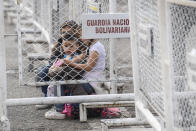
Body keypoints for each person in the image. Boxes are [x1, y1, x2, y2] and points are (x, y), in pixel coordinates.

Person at [44, 38, 108, 119]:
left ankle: (59, 109)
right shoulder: (64, 57)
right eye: (65, 46)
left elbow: (86, 67)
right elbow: (52, 71)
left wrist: (69, 63)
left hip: (91, 84)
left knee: (60, 79)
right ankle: (57, 105)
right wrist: (56, 65)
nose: (68, 48)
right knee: (57, 77)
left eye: (71, 46)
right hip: (89, 82)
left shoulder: (85, 53)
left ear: (77, 46)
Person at [35, 20, 80, 109]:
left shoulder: (77, 43)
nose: (66, 34)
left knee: (60, 76)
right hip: (58, 65)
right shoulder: (59, 44)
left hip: (72, 68)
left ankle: (60, 105)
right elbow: (52, 58)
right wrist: (55, 65)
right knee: (42, 71)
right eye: (63, 32)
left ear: (75, 32)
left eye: (69, 32)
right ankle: (47, 97)